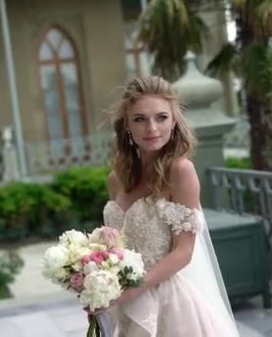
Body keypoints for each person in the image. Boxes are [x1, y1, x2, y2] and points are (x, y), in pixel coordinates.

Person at [87, 75, 239, 336]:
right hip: (126, 304)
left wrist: (129, 290)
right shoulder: (116, 180)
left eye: (161, 117)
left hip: (169, 306)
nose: (152, 128)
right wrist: (96, 286)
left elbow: (184, 251)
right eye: (140, 119)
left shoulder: (181, 172)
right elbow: (115, 248)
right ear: (127, 126)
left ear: (174, 121)